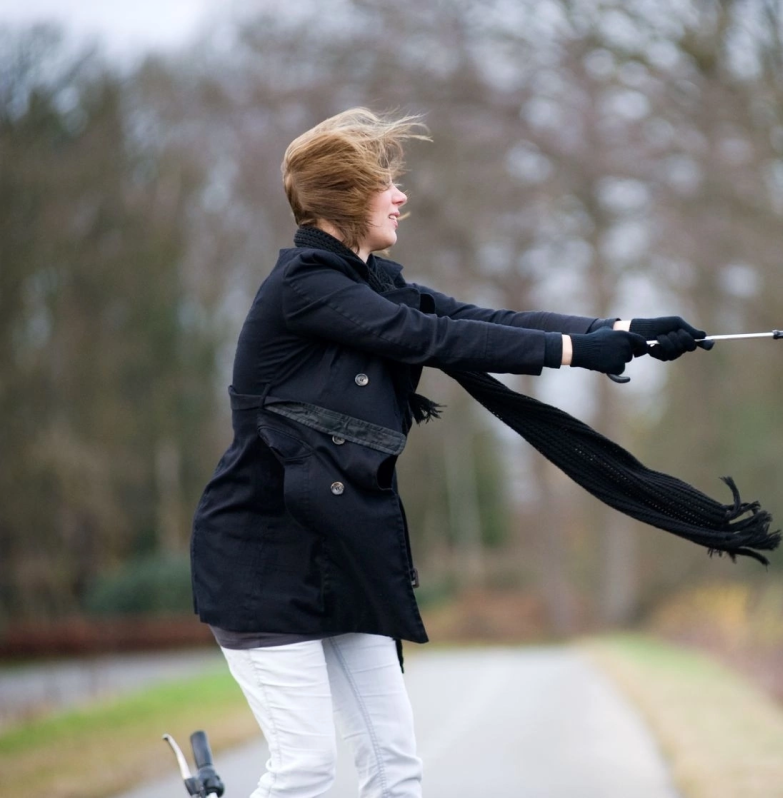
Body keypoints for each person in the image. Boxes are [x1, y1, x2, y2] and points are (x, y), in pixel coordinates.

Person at [188, 107, 710, 798]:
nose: (400, 196)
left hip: (345, 556)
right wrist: (576, 350)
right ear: (345, 198)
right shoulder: (305, 289)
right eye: (384, 184)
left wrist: (619, 329)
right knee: (306, 768)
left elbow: (476, 321)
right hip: (262, 562)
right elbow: (426, 339)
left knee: (395, 768)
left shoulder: (372, 283)